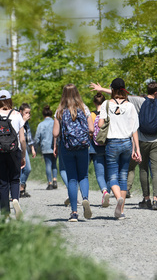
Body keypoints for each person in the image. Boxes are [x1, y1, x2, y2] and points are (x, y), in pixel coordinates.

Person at [91, 81, 157, 209]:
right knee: (156, 170)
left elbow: (120, 94)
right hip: (155, 141)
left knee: (143, 170)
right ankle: (156, 199)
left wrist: (101, 89)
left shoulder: (138, 101)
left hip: (141, 140)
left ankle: (146, 199)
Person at [98, 78, 141, 219]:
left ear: (112, 89)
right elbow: (134, 129)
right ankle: (121, 211)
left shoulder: (106, 104)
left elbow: (100, 124)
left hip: (112, 143)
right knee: (123, 175)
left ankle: (118, 199)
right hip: (127, 143)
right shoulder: (130, 106)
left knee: (111, 177)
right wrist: (137, 150)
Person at [53, 84, 94, 222]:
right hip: (82, 147)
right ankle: (85, 199)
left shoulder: (59, 110)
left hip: (66, 147)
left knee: (72, 178)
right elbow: (91, 129)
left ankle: (74, 213)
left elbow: (55, 133)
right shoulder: (84, 108)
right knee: (83, 176)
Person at [0, 90, 27, 219]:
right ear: (10, 100)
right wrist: (23, 156)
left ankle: (5, 213)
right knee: (15, 179)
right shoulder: (17, 115)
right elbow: (22, 139)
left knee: (2, 182)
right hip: (14, 151)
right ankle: (15, 199)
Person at [90, 93, 111, 207]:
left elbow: (90, 130)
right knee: (109, 173)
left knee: (99, 174)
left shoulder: (92, 115)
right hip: (108, 145)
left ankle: (104, 191)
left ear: (94, 102)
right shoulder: (108, 114)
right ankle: (108, 194)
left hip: (95, 147)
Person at [34, 105, 58, 190]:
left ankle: (50, 182)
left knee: (48, 164)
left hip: (45, 146)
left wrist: (35, 148)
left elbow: (37, 137)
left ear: (43, 115)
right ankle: (55, 180)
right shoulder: (54, 123)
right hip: (55, 146)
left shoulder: (41, 124)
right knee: (54, 164)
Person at [19, 103, 36, 198]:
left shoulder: (27, 123)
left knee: (28, 168)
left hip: (24, 148)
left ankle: (21, 186)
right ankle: (19, 189)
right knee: (19, 169)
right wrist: (23, 121)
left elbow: (29, 137)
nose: (28, 115)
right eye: (26, 112)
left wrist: (32, 149)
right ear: (20, 112)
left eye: (29, 113)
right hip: (17, 147)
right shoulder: (17, 120)